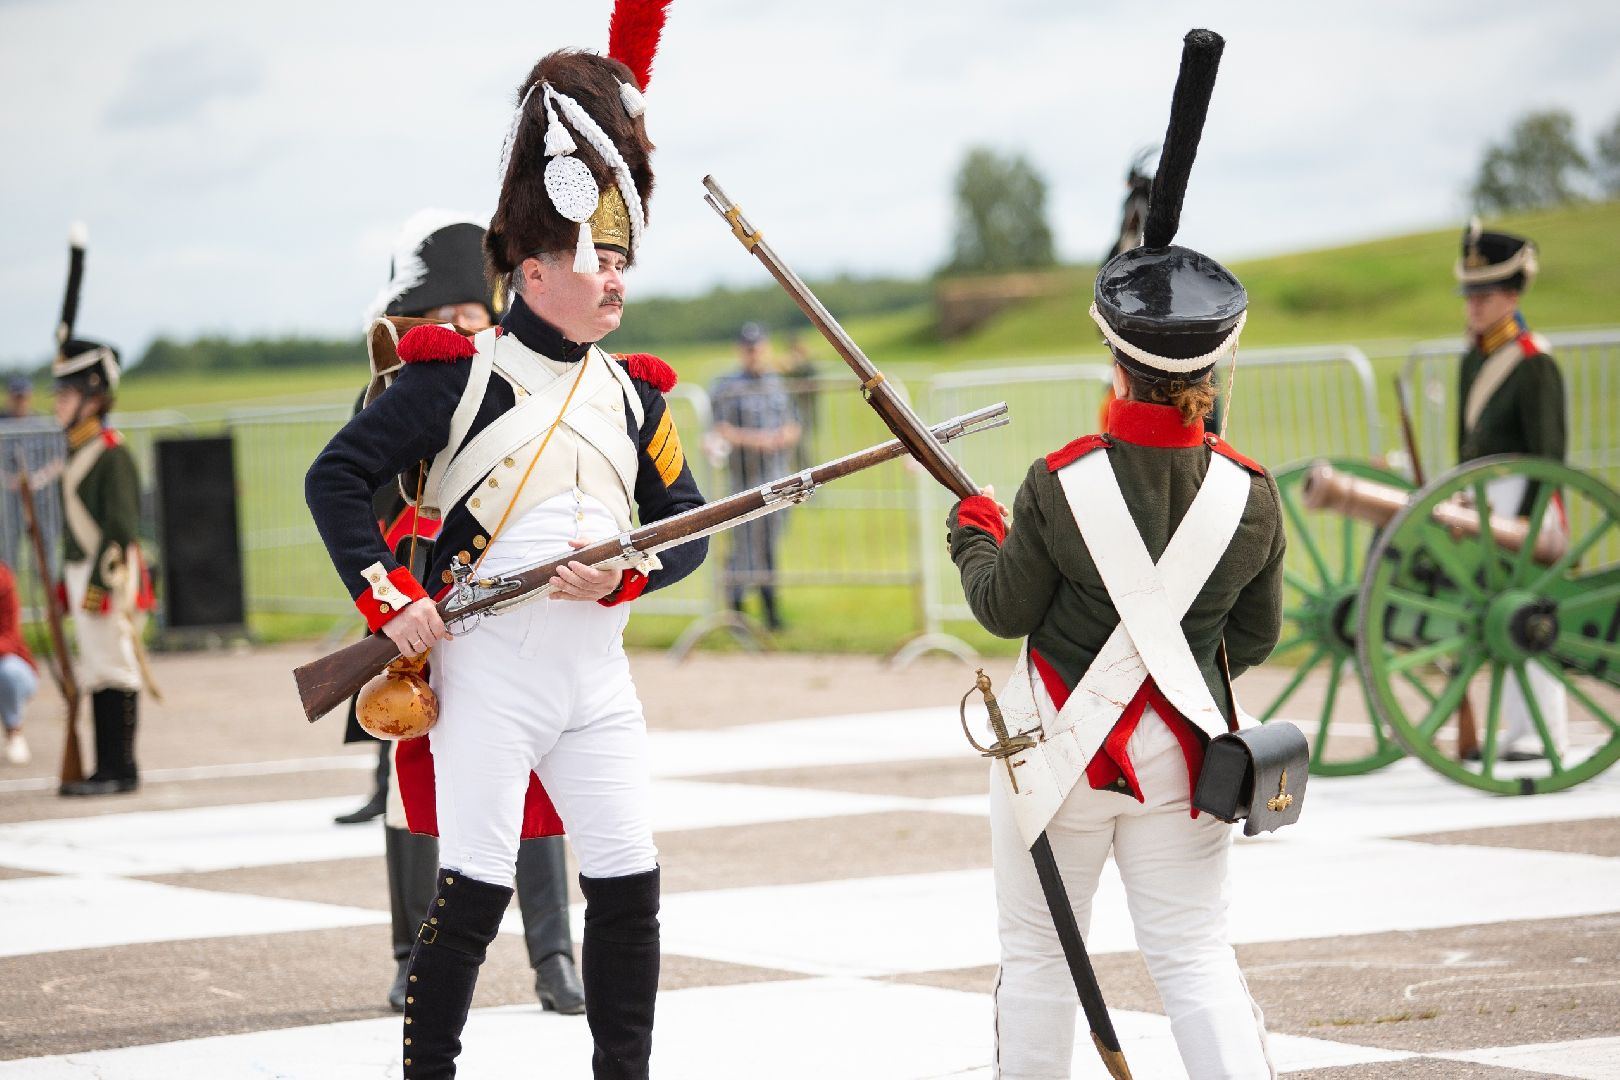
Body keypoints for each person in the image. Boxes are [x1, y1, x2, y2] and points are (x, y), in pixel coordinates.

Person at [306, 13, 701, 1077]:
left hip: (597, 681)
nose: (616, 278)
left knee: (629, 884)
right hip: (490, 678)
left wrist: (633, 566)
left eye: (622, 258)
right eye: (596, 258)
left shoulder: (634, 393)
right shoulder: (454, 377)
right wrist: (390, 596)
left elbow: (690, 527)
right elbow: (333, 479)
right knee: (473, 893)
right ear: (532, 270)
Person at [946, 31, 1283, 1078]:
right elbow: (1257, 638)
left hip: (1056, 746)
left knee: (1039, 959)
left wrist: (976, 535)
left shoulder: (1058, 478)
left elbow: (1005, 610)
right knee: (1195, 958)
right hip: (1189, 759)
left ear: (1116, 354)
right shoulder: (1254, 495)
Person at [346, 210, 589, 1017]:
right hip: (419, 615)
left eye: (470, 313)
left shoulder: (523, 384)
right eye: (442, 317)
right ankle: (408, 954)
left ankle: (555, 957)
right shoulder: (396, 390)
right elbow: (358, 497)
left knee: (535, 786)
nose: (459, 328)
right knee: (403, 788)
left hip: (509, 613)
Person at [1454, 220, 1567, 760]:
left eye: (1486, 293)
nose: (1474, 304)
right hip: (1483, 507)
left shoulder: (1533, 362)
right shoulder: (1471, 359)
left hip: (1528, 509)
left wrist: (1524, 522)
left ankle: (1541, 729)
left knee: (1528, 615)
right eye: (1470, 293)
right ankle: (1513, 728)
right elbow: (1466, 452)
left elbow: (1550, 458)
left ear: (1514, 293)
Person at [52, 338, 154, 797]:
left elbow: (119, 528)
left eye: (68, 395)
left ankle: (120, 768)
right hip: (85, 572)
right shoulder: (81, 449)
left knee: (114, 667)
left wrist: (96, 584)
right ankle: (104, 767)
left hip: (107, 575)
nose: (59, 404)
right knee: (96, 668)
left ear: (93, 400)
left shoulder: (110, 454)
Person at [709, 322, 800, 629]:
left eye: (758, 346)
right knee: (745, 545)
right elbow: (720, 430)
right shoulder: (727, 386)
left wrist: (782, 437)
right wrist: (758, 440)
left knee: (769, 545)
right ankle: (736, 611)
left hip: (777, 478)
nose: (754, 353)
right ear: (741, 350)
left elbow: (793, 424)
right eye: (748, 348)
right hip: (744, 478)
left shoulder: (778, 384)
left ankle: (771, 611)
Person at [0, 560, 38, 766]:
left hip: (8, 664)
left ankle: (14, 732)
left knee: (8, 672)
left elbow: (11, 637)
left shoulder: (2, 579)